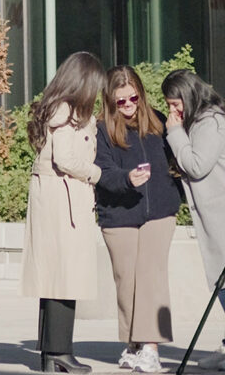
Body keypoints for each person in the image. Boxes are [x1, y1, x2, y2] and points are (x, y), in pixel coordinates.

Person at [21, 51, 107, 374]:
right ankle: (60, 353)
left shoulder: (55, 108)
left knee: (55, 278)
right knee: (64, 278)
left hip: (54, 198)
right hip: (65, 200)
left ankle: (53, 353)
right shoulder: (69, 113)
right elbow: (67, 158)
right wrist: (98, 175)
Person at [93, 66, 177, 373]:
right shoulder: (102, 129)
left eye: (133, 98)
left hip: (160, 212)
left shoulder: (159, 122)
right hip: (119, 214)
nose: (129, 106)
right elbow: (102, 172)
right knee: (126, 281)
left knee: (152, 277)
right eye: (121, 102)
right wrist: (127, 178)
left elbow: (178, 157)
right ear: (110, 102)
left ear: (140, 94)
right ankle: (134, 344)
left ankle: (151, 347)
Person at [162, 70, 225, 370]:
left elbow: (197, 165)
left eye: (177, 105)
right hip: (213, 218)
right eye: (169, 106)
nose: (173, 112)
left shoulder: (210, 122)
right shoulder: (199, 122)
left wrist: (174, 133)